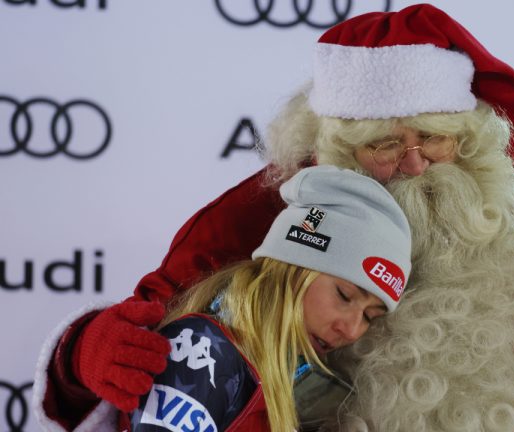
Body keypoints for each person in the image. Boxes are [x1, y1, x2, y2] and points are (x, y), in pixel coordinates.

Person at [32, 4, 514, 432]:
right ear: (336, 150)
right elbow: (157, 322)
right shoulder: (272, 209)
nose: (413, 163)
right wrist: (85, 353)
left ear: (470, 135)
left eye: (434, 138)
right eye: (383, 145)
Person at [37, 166, 413, 432]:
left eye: (371, 316)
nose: (351, 328)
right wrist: (76, 353)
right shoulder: (205, 354)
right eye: (345, 295)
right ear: (293, 269)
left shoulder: (291, 374)